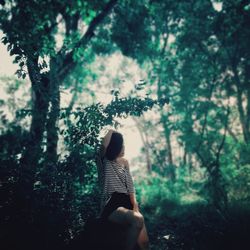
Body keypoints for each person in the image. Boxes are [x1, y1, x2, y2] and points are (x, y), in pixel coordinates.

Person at [96, 129, 150, 250]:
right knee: (137, 220)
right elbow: (103, 145)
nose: (124, 146)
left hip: (127, 200)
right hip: (112, 202)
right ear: (115, 146)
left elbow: (130, 185)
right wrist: (112, 131)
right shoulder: (104, 161)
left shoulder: (125, 162)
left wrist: (135, 204)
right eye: (121, 144)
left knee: (144, 242)